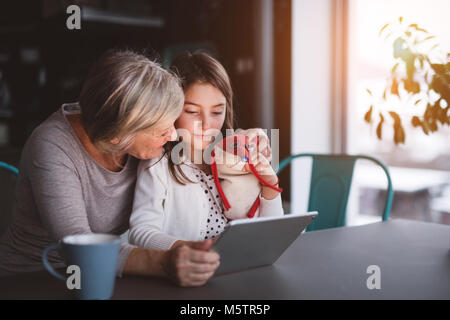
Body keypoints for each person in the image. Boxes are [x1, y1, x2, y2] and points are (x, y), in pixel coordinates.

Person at [0, 50, 220, 287]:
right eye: (161, 130)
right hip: (33, 279)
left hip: (102, 276)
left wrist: (244, 148)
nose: (173, 135)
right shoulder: (51, 147)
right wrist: (164, 262)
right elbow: (80, 247)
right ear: (118, 136)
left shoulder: (139, 137)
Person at [129, 51, 283, 251]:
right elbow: (141, 233)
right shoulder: (158, 164)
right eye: (192, 112)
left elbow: (269, 237)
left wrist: (270, 186)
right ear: (172, 109)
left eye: (217, 112)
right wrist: (197, 249)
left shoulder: (237, 155)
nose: (207, 124)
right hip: (191, 273)